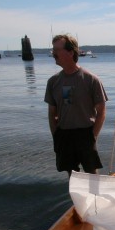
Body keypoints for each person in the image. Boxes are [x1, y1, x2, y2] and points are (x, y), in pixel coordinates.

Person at [44, 34, 108, 176]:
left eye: (57, 50)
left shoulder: (91, 79)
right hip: (64, 134)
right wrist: (56, 135)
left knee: (92, 174)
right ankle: (76, 198)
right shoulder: (53, 81)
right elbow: (51, 113)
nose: (53, 53)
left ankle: (95, 198)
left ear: (70, 52)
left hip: (85, 133)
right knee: (72, 176)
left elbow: (102, 111)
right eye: (53, 50)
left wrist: (93, 136)